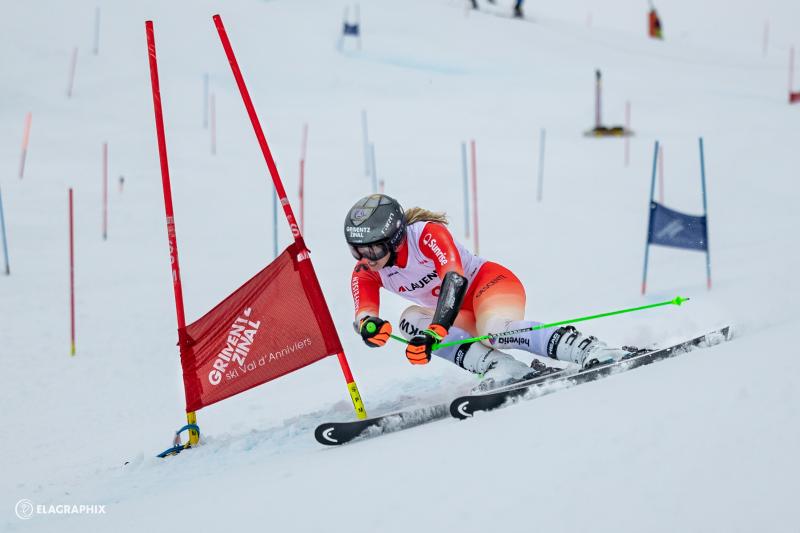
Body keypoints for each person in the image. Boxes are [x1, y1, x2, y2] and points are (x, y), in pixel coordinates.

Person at [345, 194, 637, 387]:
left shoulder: (425, 234)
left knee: (496, 330)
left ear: (395, 238)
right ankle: (502, 368)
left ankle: (591, 349)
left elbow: (454, 280)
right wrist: (371, 328)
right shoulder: (366, 271)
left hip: (490, 285)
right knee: (408, 319)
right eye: (356, 251)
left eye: (372, 249)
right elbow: (364, 316)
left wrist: (435, 331)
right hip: (457, 314)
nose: (365, 259)